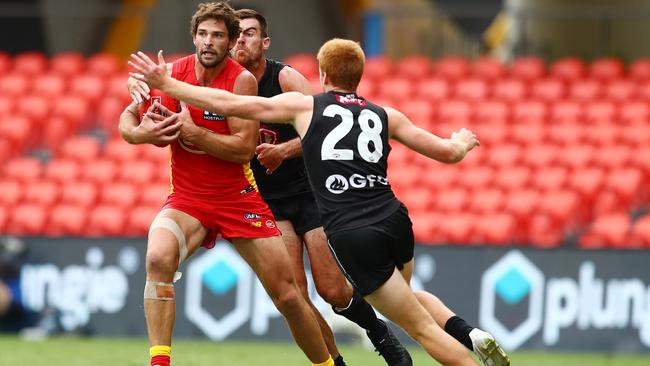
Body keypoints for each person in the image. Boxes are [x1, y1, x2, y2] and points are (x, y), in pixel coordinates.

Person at [129, 37, 512, 366]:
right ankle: (468, 331)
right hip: (396, 220)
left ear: (323, 75)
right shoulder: (385, 114)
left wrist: (170, 85)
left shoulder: (306, 107)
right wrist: (462, 141)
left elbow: (232, 106)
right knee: (404, 298)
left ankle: (462, 353)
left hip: (353, 232)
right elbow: (446, 153)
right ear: (358, 76)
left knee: (419, 327)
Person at [119, 3, 336, 366]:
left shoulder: (241, 81)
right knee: (158, 258)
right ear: (193, 37)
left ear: (231, 40)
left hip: (238, 198)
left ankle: (328, 365)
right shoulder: (171, 73)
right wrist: (139, 134)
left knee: (288, 296)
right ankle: (159, 363)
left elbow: (242, 150)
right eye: (203, 34)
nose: (208, 42)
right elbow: (128, 117)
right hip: (187, 199)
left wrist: (192, 131)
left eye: (218, 35)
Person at [232, 9, 409, 366]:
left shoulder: (285, 78)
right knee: (295, 296)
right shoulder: (224, 85)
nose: (240, 40)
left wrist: (283, 150)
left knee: (332, 290)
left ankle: (378, 332)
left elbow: (321, 127)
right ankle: (335, 363)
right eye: (235, 34)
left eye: (249, 33)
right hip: (268, 200)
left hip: (308, 193)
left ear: (264, 42)